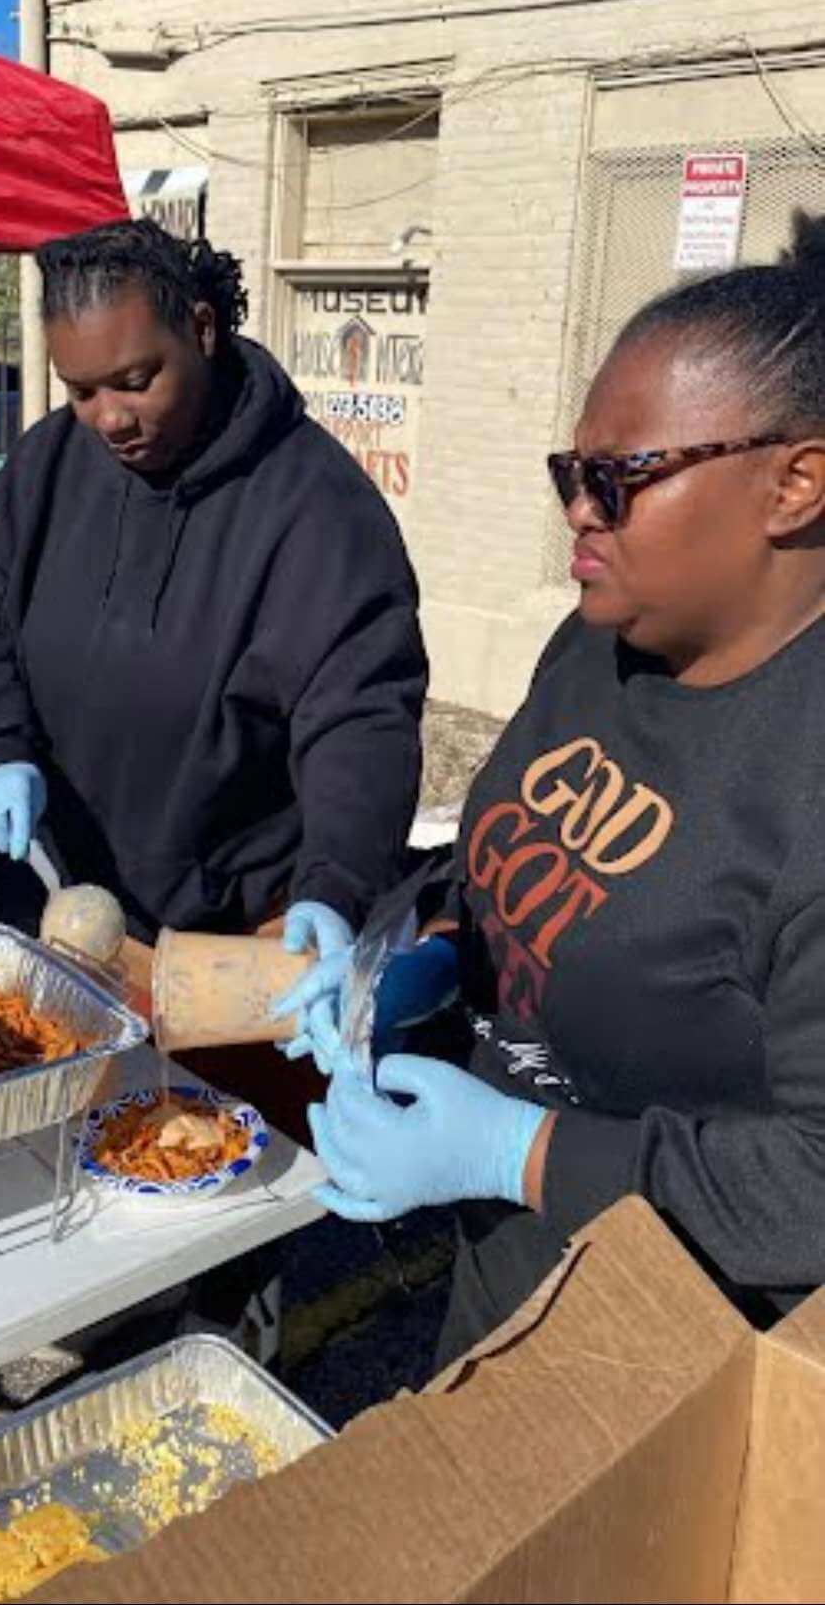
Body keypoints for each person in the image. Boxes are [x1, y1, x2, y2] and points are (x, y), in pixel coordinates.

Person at [297, 209, 825, 1367]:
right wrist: (420, 950)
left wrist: (523, 1153)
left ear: (793, 485)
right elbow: (499, 862)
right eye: (567, 472)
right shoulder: (597, 644)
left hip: (673, 1349)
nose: (576, 510)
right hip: (506, 1274)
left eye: (617, 478)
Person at [0, 220, 427, 1033]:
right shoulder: (48, 463)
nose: (109, 419)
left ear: (201, 330)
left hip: (233, 929)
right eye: (81, 390)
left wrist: (336, 884)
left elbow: (360, 714)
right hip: (77, 906)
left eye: (135, 379)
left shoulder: (315, 507)